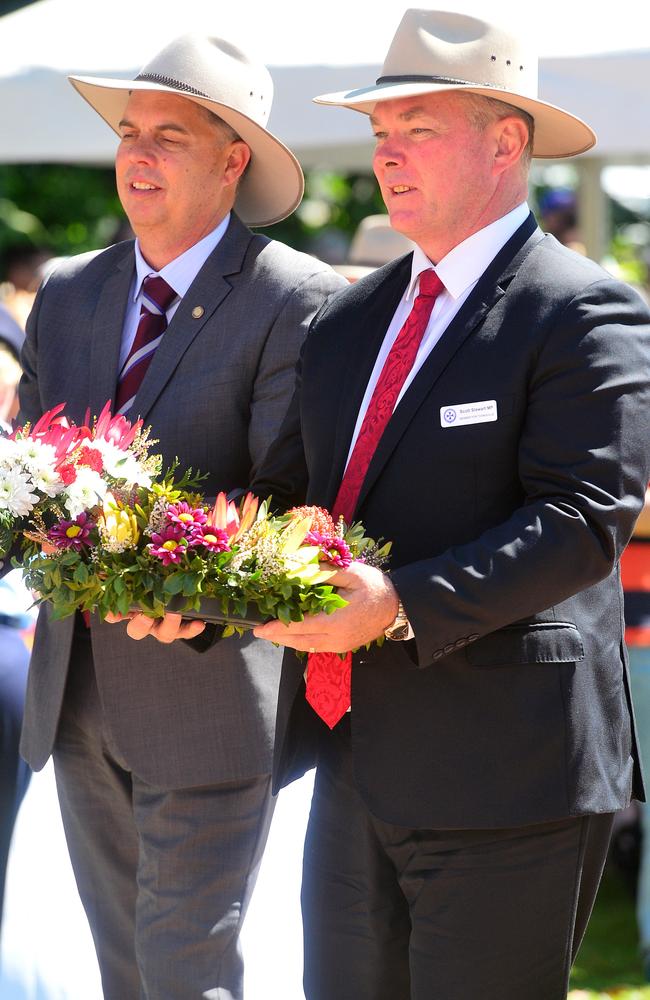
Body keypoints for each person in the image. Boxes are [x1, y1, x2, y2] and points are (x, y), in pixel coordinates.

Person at [248, 9, 650, 999]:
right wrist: (203, 582)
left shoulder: (582, 308)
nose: (386, 156)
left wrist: (394, 603)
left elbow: (580, 521)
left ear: (503, 141)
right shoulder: (346, 322)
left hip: (509, 775)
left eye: (415, 128)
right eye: (380, 134)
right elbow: (296, 495)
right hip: (354, 766)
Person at [17, 33, 343, 1000]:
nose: (137, 155)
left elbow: (288, 500)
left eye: (168, 134)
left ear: (233, 159)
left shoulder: (298, 297)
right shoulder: (71, 292)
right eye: (128, 133)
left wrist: (180, 579)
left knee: (186, 973)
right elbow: (35, 466)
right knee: (126, 973)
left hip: (208, 694)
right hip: (73, 689)